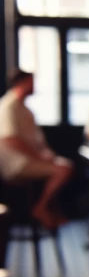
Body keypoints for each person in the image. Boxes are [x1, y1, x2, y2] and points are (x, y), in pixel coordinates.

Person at [0, 69, 73, 229]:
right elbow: (10, 140)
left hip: (30, 159)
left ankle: (49, 211)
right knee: (62, 170)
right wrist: (40, 157)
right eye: (31, 82)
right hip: (16, 164)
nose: (34, 86)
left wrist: (48, 155)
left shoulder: (24, 109)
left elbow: (37, 141)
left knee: (63, 165)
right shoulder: (8, 106)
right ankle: (40, 208)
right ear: (22, 83)